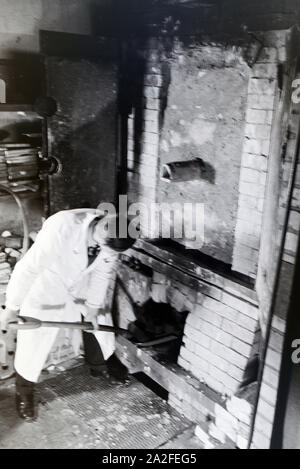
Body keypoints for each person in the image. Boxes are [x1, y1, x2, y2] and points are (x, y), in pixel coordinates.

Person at [0, 208, 136, 421]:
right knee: (33, 345)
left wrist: (92, 306)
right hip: (48, 287)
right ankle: (24, 391)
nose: (104, 250)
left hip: (80, 285)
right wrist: (12, 307)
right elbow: (29, 268)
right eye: (103, 244)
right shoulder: (63, 226)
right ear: (102, 224)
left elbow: (103, 271)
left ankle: (101, 364)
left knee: (98, 322)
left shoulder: (115, 232)